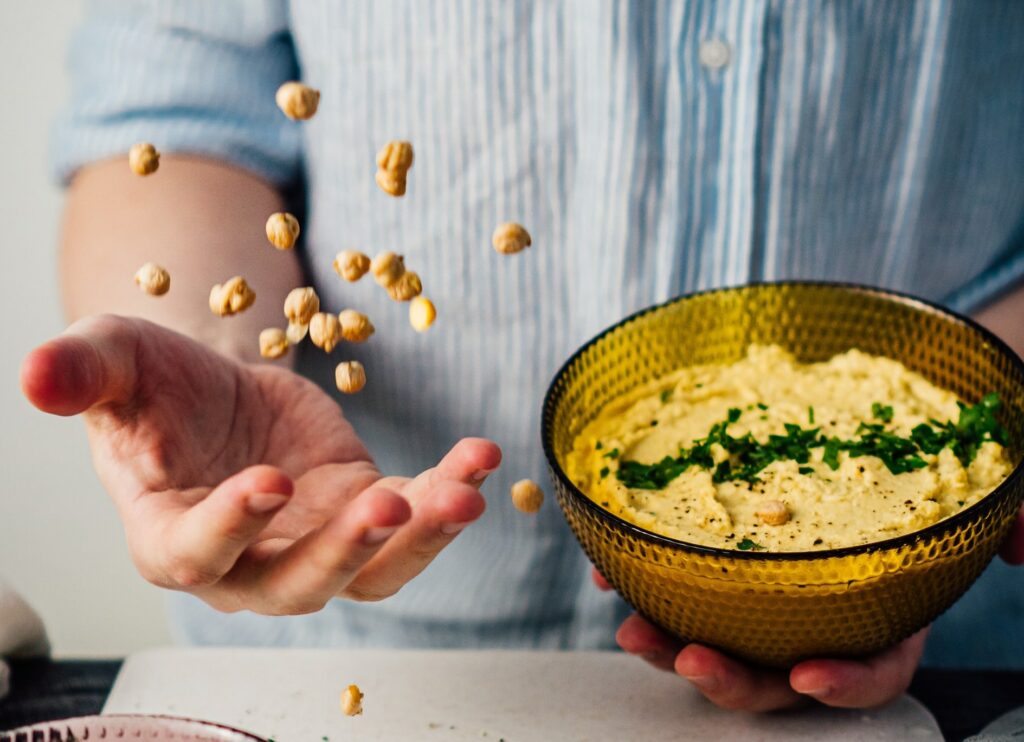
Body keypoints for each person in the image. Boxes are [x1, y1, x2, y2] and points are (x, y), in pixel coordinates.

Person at [20, 1, 1024, 713]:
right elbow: (168, 123)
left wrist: (975, 458)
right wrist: (215, 359)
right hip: (352, 661)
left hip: (955, 650)